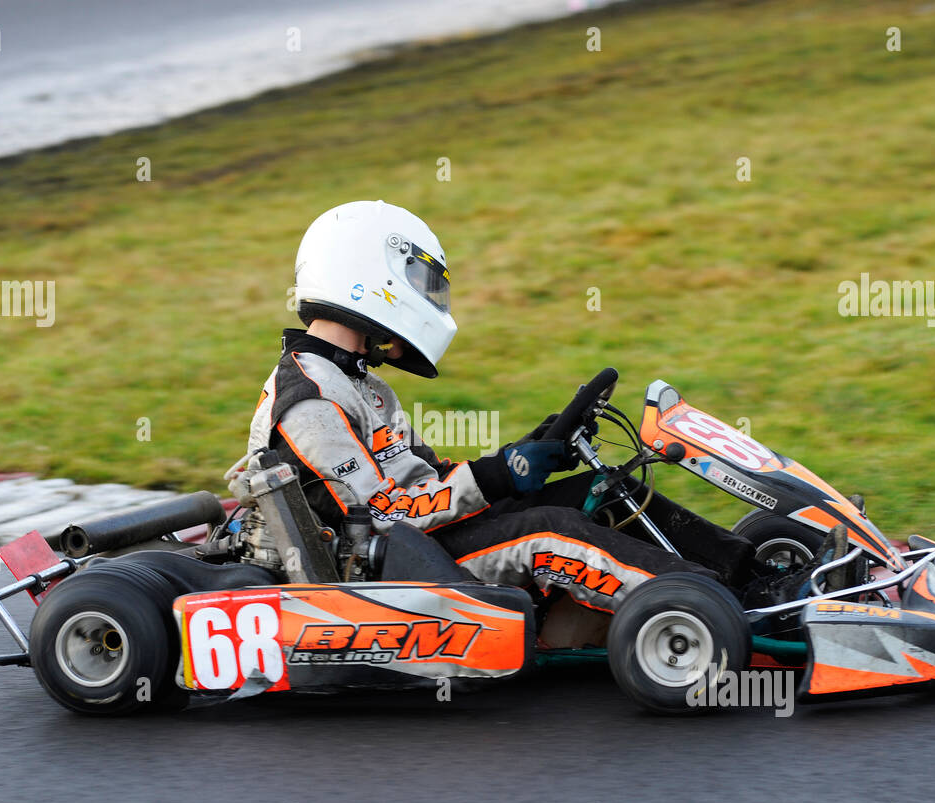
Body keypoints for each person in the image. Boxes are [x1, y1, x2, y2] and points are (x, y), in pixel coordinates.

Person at [246, 200, 840, 616]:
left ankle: (760, 574)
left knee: (602, 492)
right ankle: (720, 606)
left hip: (419, 536)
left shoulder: (358, 383)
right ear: (368, 275)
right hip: (383, 565)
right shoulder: (310, 397)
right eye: (422, 283)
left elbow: (420, 479)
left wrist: (520, 458)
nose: (430, 299)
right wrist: (503, 475)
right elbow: (381, 511)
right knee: (551, 532)